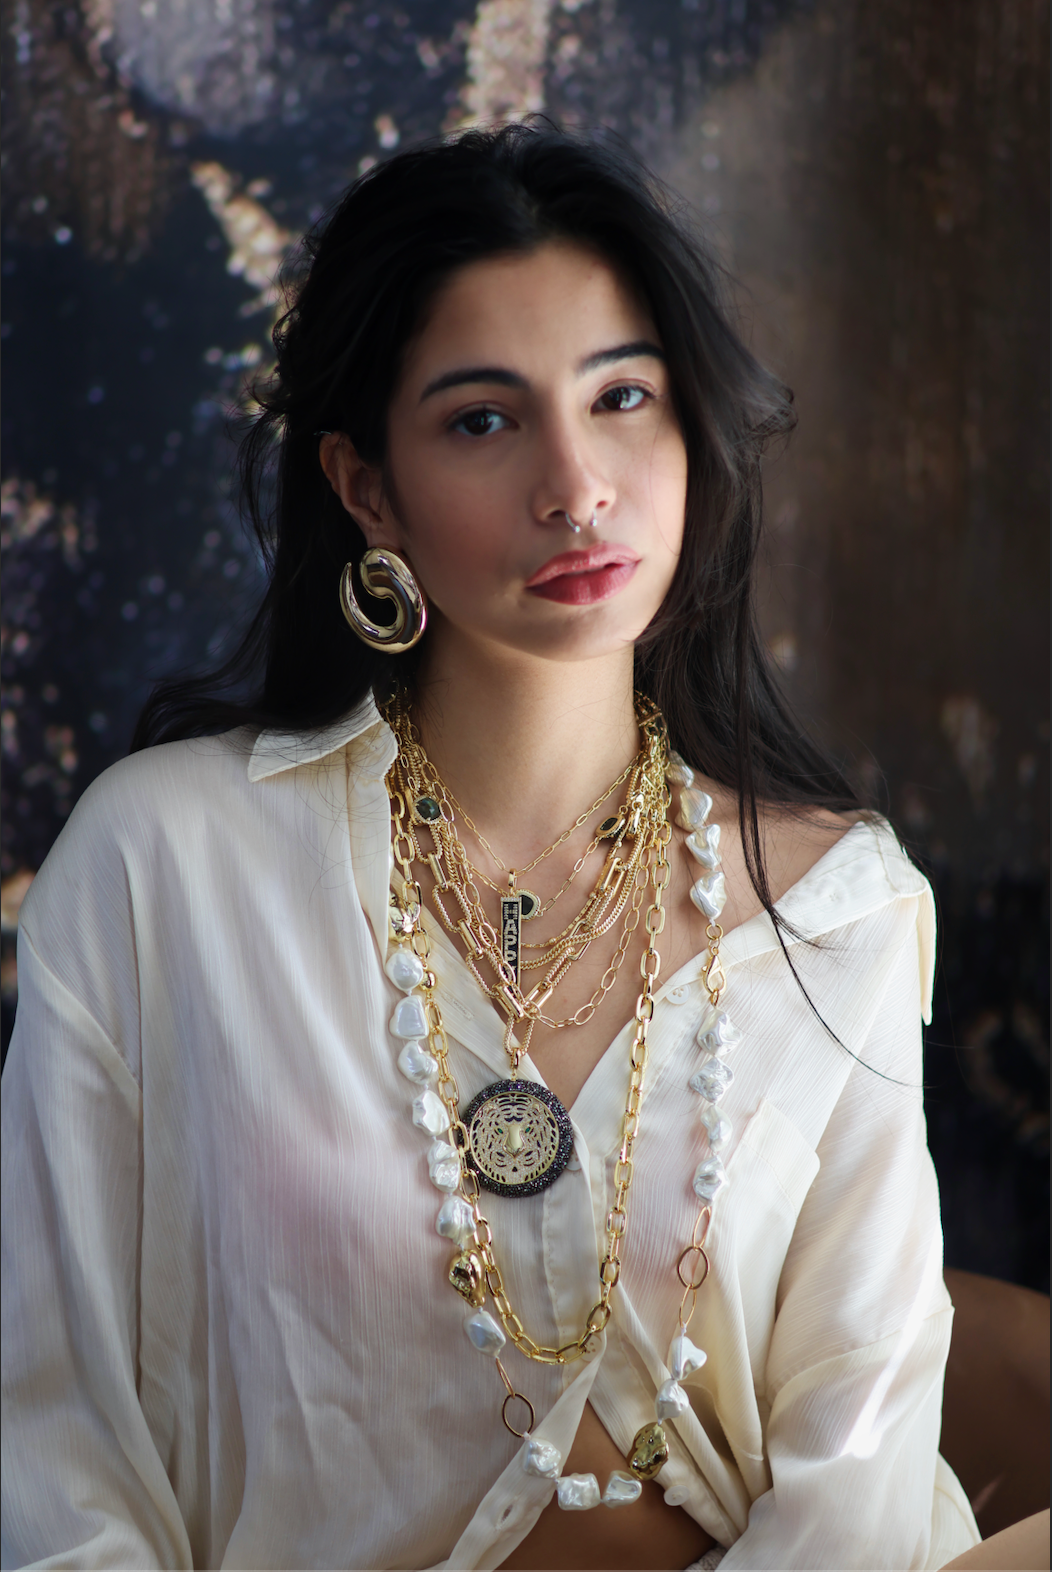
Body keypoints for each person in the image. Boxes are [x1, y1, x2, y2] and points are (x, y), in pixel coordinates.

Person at [1, 123, 990, 1570]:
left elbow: (860, 1481)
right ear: (366, 489)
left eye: (624, 397)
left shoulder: (836, 907)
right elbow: (55, 1446)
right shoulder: (164, 865)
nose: (576, 485)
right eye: (484, 419)